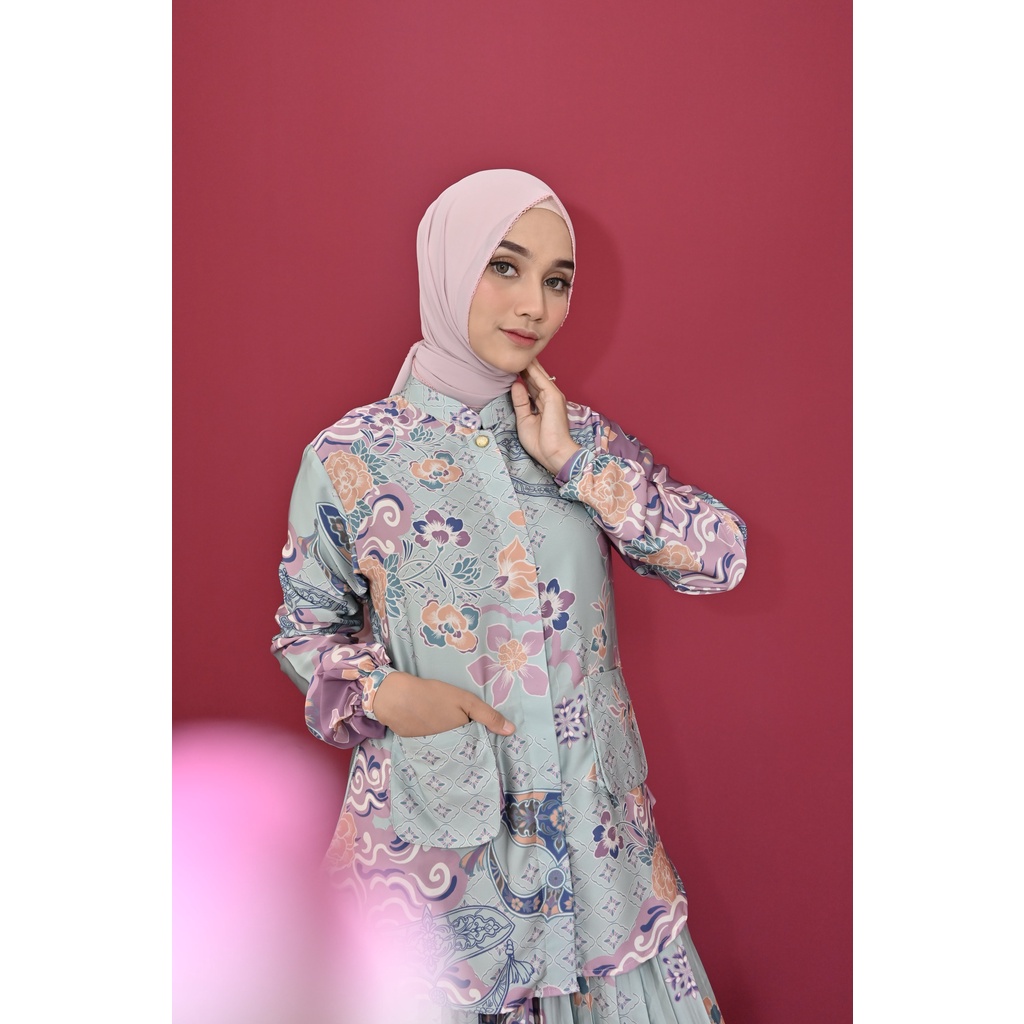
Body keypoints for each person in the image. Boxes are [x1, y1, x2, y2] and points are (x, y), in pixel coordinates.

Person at [272, 169, 746, 1023]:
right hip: (436, 862)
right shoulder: (350, 457)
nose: (535, 305)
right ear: (449, 267)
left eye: (558, 281)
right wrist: (386, 692)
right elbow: (304, 630)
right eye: (504, 266)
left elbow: (720, 558)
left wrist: (574, 464)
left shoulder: (574, 437)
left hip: (594, 855)